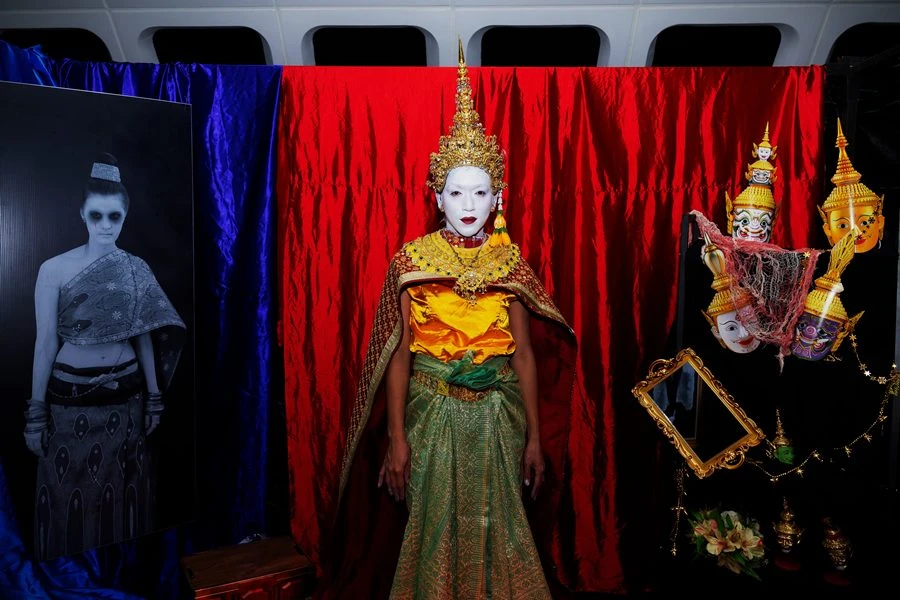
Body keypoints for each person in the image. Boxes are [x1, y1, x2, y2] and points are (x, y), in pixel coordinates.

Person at [329, 45, 578, 600]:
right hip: (431, 411)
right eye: (456, 192)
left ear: (498, 197)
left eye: (481, 192)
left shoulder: (509, 262)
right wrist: (396, 437)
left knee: (500, 528)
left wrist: (535, 437)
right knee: (434, 530)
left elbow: (524, 353)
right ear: (436, 196)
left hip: (498, 414)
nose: (469, 203)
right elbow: (398, 352)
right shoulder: (412, 260)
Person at [22, 152, 185, 561]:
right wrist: (36, 415)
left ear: (125, 216)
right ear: (82, 213)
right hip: (69, 401)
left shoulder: (135, 269)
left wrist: (154, 398)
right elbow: (44, 343)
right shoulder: (53, 269)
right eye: (97, 216)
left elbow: (144, 337)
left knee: (125, 492)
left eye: (115, 217)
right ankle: (72, 574)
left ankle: (121, 568)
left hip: (126, 400)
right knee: (67, 497)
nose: (106, 225)